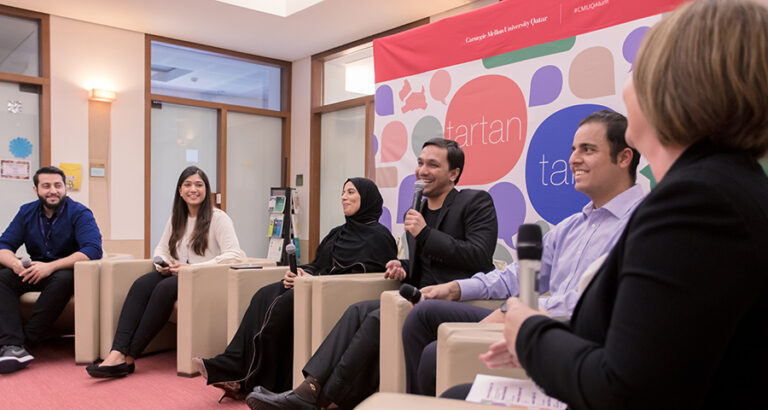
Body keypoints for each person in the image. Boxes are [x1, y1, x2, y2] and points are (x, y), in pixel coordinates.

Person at [474, 1, 768, 408]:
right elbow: (653, 346)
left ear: (670, 87)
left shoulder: (695, 202)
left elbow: (625, 390)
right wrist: (547, 343)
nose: (628, 87)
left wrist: (528, 332)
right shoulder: (723, 186)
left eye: (638, 70)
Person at [402, 110, 645, 396]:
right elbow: (518, 277)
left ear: (624, 158)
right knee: (423, 314)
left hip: (570, 336)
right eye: (573, 149)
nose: (573, 159)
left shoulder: (641, 225)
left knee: (434, 356)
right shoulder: (572, 226)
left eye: (588, 150)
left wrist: (512, 312)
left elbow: (593, 303)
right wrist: (456, 288)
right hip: (533, 319)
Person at [246, 138, 498, 409]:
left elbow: (479, 255)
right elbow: (427, 264)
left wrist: (425, 233)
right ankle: (310, 387)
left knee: (377, 316)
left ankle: (323, 398)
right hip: (418, 294)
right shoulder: (418, 211)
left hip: (458, 298)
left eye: (433, 165)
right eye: (420, 163)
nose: (422, 171)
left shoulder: (474, 202)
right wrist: (403, 266)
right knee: (356, 310)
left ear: (454, 173)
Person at [195, 177, 397, 401]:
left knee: (282, 305)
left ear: (367, 198)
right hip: (314, 285)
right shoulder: (337, 232)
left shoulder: (379, 237)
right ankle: (232, 366)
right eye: (343, 192)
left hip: (332, 295)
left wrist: (315, 279)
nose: (343, 197)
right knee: (263, 295)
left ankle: (254, 380)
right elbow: (318, 264)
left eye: (351, 192)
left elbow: (363, 277)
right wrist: (300, 272)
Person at [86, 166, 246, 378]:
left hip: (205, 278)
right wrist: (161, 263)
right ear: (180, 190)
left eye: (199, 185)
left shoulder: (219, 218)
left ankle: (129, 356)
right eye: (188, 185)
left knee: (164, 289)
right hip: (179, 273)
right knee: (141, 284)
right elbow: (161, 248)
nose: (193, 189)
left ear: (206, 190)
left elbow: (234, 254)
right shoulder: (176, 218)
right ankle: (117, 352)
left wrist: (193, 268)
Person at [0, 166, 102, 374]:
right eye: (46, 186)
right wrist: (14, 263)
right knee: (3, 277)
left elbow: (93, 249)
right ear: (36, 189)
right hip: (35, 269)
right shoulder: (26, 212)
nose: (53, 190)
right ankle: (12, 344)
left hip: (67, 270)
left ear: (65, 188)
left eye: (58, 185)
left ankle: (26, 340)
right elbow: (4, 244)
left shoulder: (80, 213)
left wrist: (51, 266)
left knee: (62, 279)